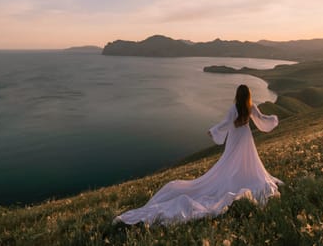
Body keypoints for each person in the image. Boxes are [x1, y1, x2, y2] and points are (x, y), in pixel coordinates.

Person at [114, 84, 283, 225]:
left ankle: (232, 179)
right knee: (247, 159)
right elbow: (261, 118)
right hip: (245, 136)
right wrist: (273, 118)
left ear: (237, 95)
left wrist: (213, 131)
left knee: (229, 160)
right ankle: (243, 177)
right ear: (248, 95)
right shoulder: (251, 107)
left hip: (235, 137)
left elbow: (225, 124)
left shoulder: (234, 108)